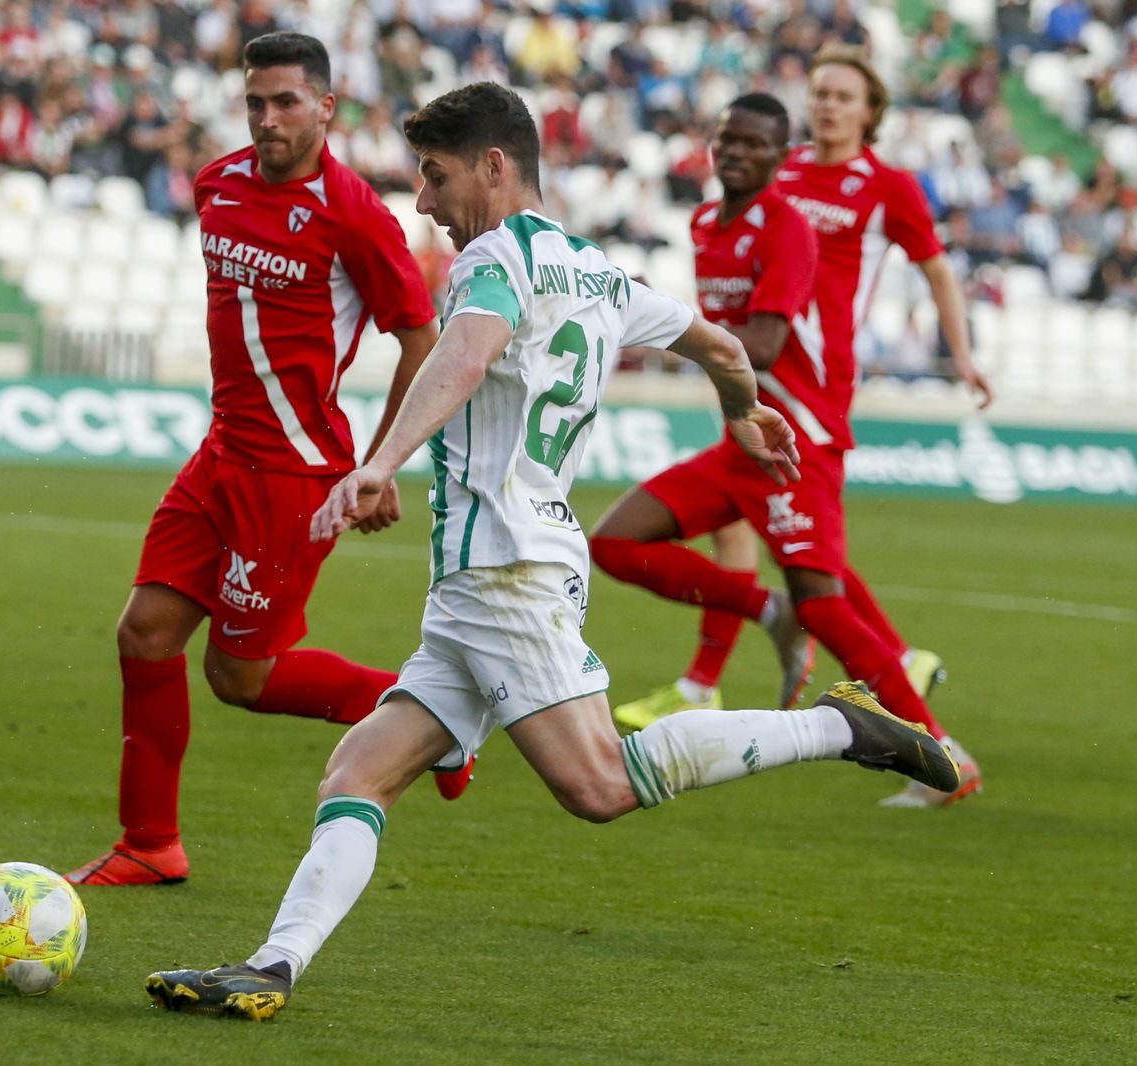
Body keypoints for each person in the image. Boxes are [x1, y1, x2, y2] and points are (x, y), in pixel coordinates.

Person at [143, 81, 959, 1021]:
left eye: (436, 177)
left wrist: (382, 463)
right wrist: (745, 415)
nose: (423, 202)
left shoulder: (493, 260)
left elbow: (465, 353)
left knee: (604, 785)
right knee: (361, 771)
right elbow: (727, 349)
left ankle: (840, 727)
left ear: (495, 166)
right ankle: (273, 966)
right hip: (488, 579)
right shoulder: (602, 273)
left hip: (507, 571)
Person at [64, 33, 464, 889]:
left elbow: (421, 339)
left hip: (292, 475)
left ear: (326, 106)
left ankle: (431, 715)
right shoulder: (218, 183)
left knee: (240, 678)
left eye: (286, 102)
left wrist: (379, 465)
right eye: (255, 102)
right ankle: (149, 842)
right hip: (218, 457)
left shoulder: (355, 213)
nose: (269, 118)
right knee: (144, 633)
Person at [597, 50, 985, 811]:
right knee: (629, 546)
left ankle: (937, 750)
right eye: (820, 93)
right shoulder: (739, 202)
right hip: (747, 417)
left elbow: (930, 271)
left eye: (845, 95)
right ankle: (757, 632)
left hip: (804, 411)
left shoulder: (869, 194)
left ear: (870, 111)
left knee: (822, 595)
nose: (830, 105)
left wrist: (962, 355)